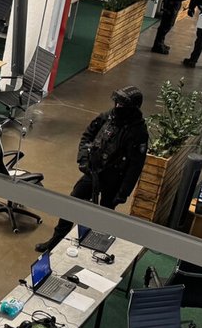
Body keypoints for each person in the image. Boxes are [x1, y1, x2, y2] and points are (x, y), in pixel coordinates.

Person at [34, 86, 149, 254]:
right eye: (117, 103)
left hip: (114, 180)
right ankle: (56, 241)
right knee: (71, 204)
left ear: (132, 108)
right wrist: (83, 159)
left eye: (122, 104)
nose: (117, 106)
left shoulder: (138, 132)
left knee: (103, 218)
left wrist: (123, 192)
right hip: (93, 172)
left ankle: (93, 249)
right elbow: (87, 135)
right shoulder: (108, 117)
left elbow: (135, 166)